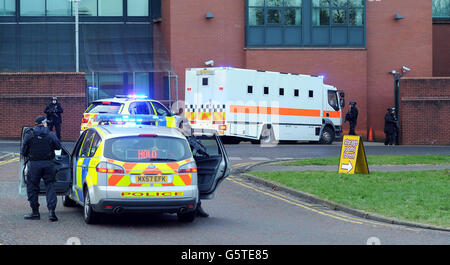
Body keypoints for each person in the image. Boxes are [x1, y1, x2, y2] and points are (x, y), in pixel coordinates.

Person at [21, 116, 62, 222]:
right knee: (50, 186)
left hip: (34, 164)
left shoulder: (29, 134)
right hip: (49, 164)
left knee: (32, 187)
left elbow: (23, 151)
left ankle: (35, 212)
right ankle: (52, 212)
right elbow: (58, 147)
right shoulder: (50, 134)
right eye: (46, 123)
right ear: (43, 123)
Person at [179, 121, 210, 218]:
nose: (189, 127)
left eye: (189, 126)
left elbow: (202, 149)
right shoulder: (179, 137)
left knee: (194, 188)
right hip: (181, 165)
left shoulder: (189, 137)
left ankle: (197, 207)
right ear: (180, 127)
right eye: (186, 126)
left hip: (184, 165)